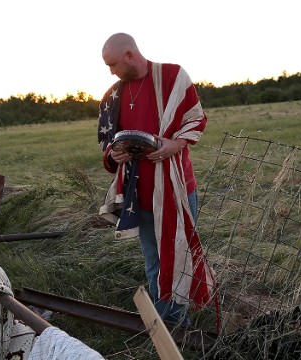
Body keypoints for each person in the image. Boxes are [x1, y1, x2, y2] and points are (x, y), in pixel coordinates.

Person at [97, 33, 216, 325]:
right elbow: (109, 147)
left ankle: (182, 319)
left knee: (180, 253)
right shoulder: (113, 95)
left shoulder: (173, 76)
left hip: (177, 188)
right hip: (139, 193)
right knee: (154, 260)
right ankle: (170, 327)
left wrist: (172, 145)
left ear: (130, 55)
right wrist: (116, 155)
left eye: (113, 64)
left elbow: (196, 119)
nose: (111, 71)